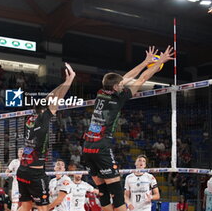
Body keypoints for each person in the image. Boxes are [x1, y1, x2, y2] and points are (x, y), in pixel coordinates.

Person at [83, 46, 174, 211]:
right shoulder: (118, 98)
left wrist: (145, 61)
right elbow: (142, 78)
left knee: (102, 186)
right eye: (120, 84)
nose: (122, 84)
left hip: (87, 146)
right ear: (117, 87)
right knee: (116, 189)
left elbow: (124, 78)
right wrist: (160, 61)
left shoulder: (101, 93)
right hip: (101, 145)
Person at [16, 63, 76, 211]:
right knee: (43, 208)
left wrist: (64, 82)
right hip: (35, 173)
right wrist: (69, 80)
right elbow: (56, 99)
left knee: (25, 206)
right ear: (44, 110)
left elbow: (50, 97)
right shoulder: (43, 119)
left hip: (22, 170)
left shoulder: (30, 119)